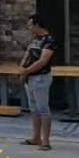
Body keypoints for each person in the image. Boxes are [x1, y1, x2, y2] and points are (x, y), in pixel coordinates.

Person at [20, 14, 56, 150]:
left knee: (43, 109)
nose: (29, 27)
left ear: (37, 25)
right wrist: (22, 70)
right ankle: (36, 137)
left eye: (30, 25)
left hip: (40, 77)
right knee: (34, 109)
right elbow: (27, 55)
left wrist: (26, 71)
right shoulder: (35, 40)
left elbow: (43, 61)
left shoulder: (49, 40)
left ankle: (46, 141)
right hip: (30, 77)